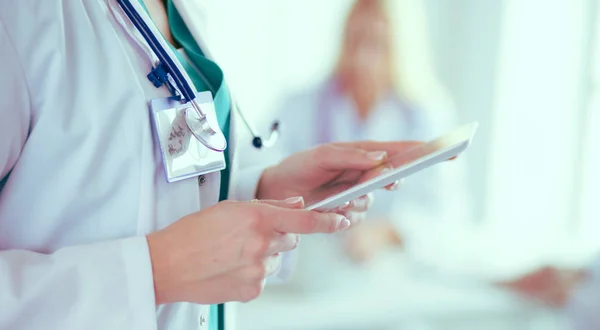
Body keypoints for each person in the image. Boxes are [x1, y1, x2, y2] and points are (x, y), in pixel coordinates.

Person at [0, 1, 427, 329]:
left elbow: (146, 187)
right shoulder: (21, 18)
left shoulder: (184, 12)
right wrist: (157, 270)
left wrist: (262, 192)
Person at [257, 0, 471, 266]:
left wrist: (386, 232)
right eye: (355, 39)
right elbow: (260, 174)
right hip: (313, 264)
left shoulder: (427, 112)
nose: (363, 56)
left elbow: (446, 213)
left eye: (378, 42)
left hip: (393, 267)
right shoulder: (301, 104)